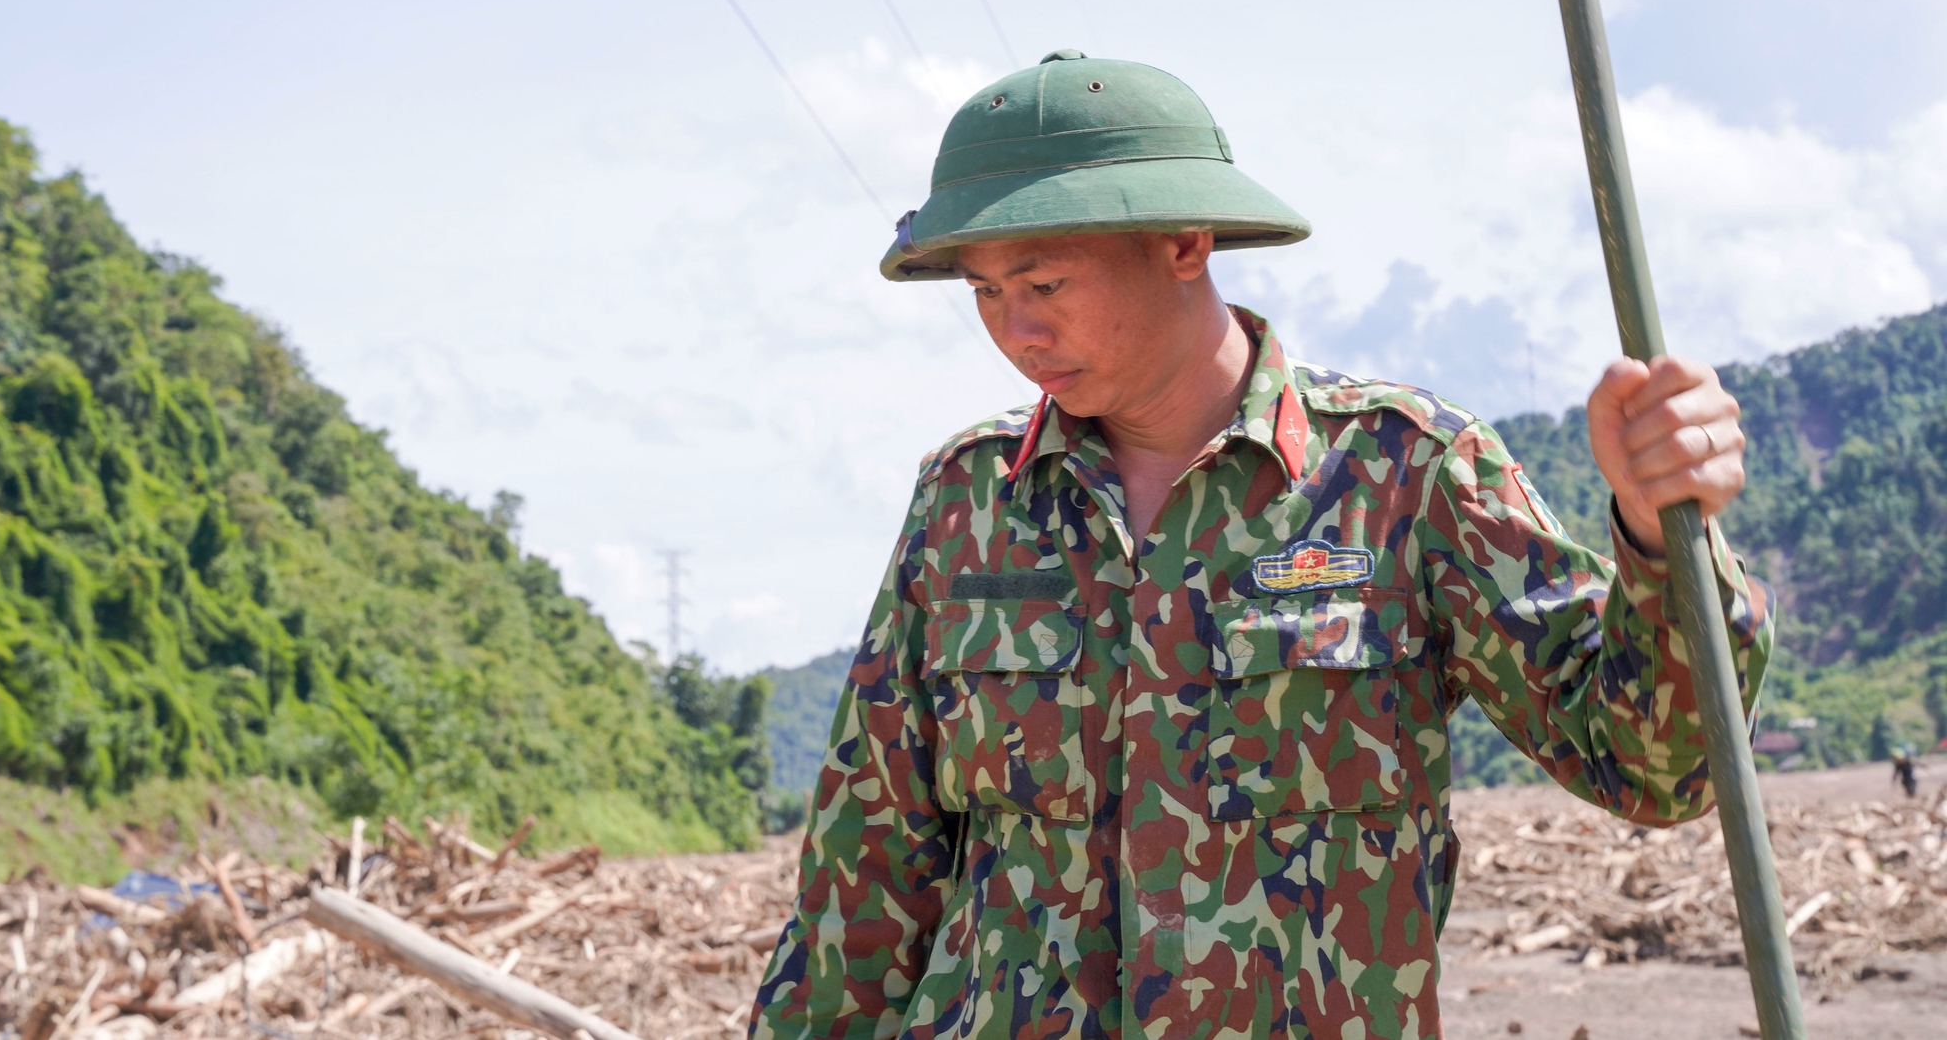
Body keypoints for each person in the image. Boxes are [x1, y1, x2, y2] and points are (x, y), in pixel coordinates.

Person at [749, 51, 1773, 1040]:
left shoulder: (1402, 471)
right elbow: (864, 870)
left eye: (1043, 283)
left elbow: (1653, 767)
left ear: (1185, 241)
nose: (1014, 330)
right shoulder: (966, 498)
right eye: (982, 293)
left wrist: (1654, 536)